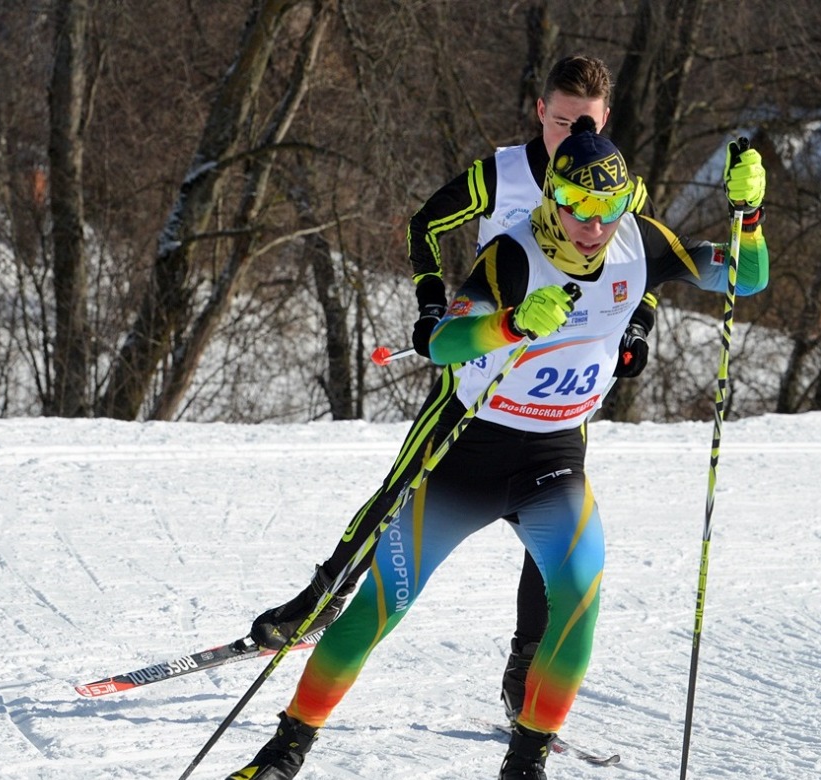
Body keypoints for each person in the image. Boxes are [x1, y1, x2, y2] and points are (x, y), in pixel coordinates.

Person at [216, 117, 768, 780]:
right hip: (470, 456)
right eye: (580, 208)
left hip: (552, 457)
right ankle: (281, 754)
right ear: (552, 201)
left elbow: (745, 281)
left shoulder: (640, 242)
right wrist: (509, 325)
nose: (596, 226)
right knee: (379, 607)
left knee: (580, 591)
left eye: (610, 208)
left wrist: (749, 216)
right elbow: (446, 344)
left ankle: (522, 776)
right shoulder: (513, 257)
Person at [247, 56, 658, 722]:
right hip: (483, 367)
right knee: (404, 488)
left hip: (559, 394)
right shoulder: (506, 172)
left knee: (553, 537)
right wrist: (433, 303)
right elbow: (424, 225)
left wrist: (637, 328)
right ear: (539, 112)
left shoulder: (607, 183)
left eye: (584, 121)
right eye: (560, 121)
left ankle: (524, 672)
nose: (571, 133)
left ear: (604, 120)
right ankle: (319, 602)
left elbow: (645, 267)